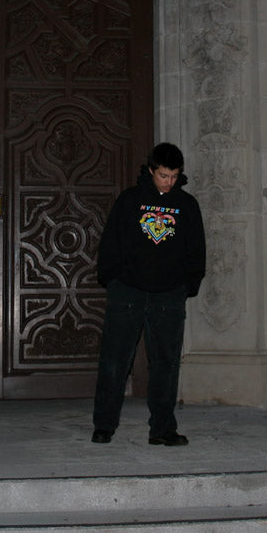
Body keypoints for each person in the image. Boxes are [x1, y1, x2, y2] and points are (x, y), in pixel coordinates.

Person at [91, 142, 206, 446]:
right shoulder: (130, 200)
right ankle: (104, 425)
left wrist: (187, 285)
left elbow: (197, 248)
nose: (169, 182)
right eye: (164, 176)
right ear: (151, 170)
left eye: (174, 176)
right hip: (127, 291)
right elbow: (111, 240)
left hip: (169, 294)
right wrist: (112, 279)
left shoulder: (187, 204)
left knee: (166, 363)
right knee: (115, 360)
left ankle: (162, 429)